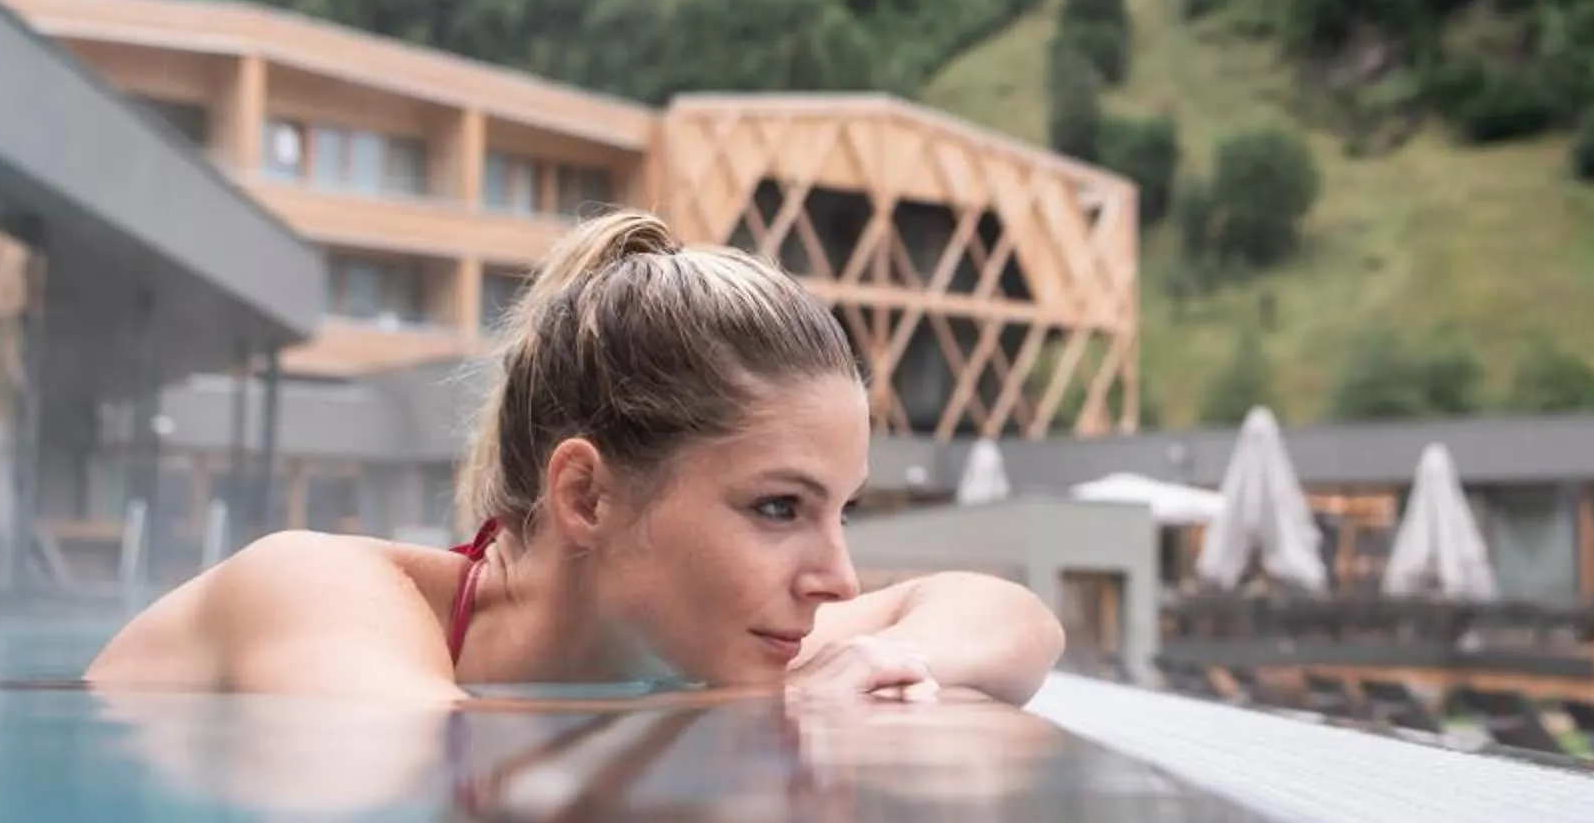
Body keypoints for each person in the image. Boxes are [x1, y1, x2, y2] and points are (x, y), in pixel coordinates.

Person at [86, 212, 1064, 706]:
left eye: (839, 511)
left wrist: (883, 666)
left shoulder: (705, 625)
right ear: (588, 494)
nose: (838, 576)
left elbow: (1017, 620)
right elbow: (416, 754)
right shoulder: (312, 589)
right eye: (778, 507)